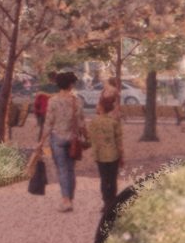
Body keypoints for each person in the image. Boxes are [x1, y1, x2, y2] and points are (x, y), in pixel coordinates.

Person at [42, 70, 87, 213]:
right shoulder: (77, 100)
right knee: (70, 169)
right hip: (72, 138)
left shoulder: (53, 101)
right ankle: (70, 199)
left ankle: (66, 200)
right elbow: (81, 122)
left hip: (57, 138)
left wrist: (42, 140)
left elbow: (48, 122)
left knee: (61, 169)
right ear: (71, 84)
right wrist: (86, 136)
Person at [88, 88, 127, 208]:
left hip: (100, 155)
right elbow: (119, 140)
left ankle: (106, 202)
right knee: (113, 179)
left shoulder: (94, 122)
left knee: (104, 180)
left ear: (101, 108)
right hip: (113, 154)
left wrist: (94, 152)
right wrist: (121, 155)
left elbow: (92, 139)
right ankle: (112, 201)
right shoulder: (114, 122)